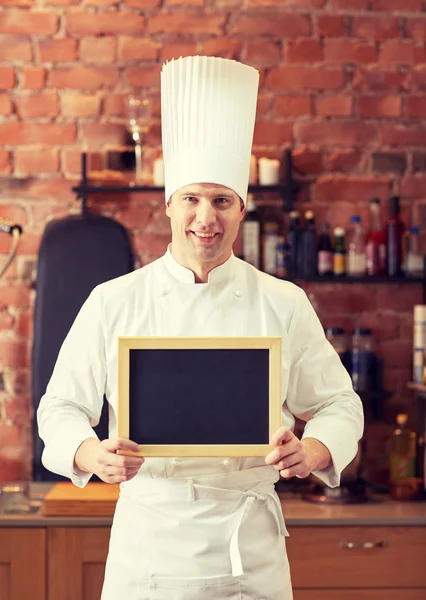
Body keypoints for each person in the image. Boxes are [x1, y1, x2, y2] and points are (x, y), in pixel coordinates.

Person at [37, 56, 363, 600]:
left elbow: (339, 405)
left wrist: (314, 451)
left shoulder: (282, 302)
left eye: (221, 201)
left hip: (249, 551)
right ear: (168, 205)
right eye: (191, 198)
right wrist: (91, 455)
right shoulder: (114, 301)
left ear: (241, 209)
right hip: (150, 548)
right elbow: (60, 407)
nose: (205, 218)